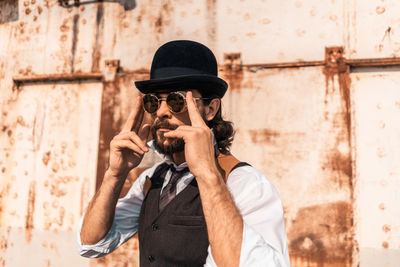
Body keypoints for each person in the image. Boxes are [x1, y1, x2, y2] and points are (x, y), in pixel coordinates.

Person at [77, 40, 290, 267]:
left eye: (176, 100)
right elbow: (90, 244)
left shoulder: (244, 182)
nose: (161, 112)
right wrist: (114, 175)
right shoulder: (153, 179)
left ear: (210, 109)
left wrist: (208, 175)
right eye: (153, 101)